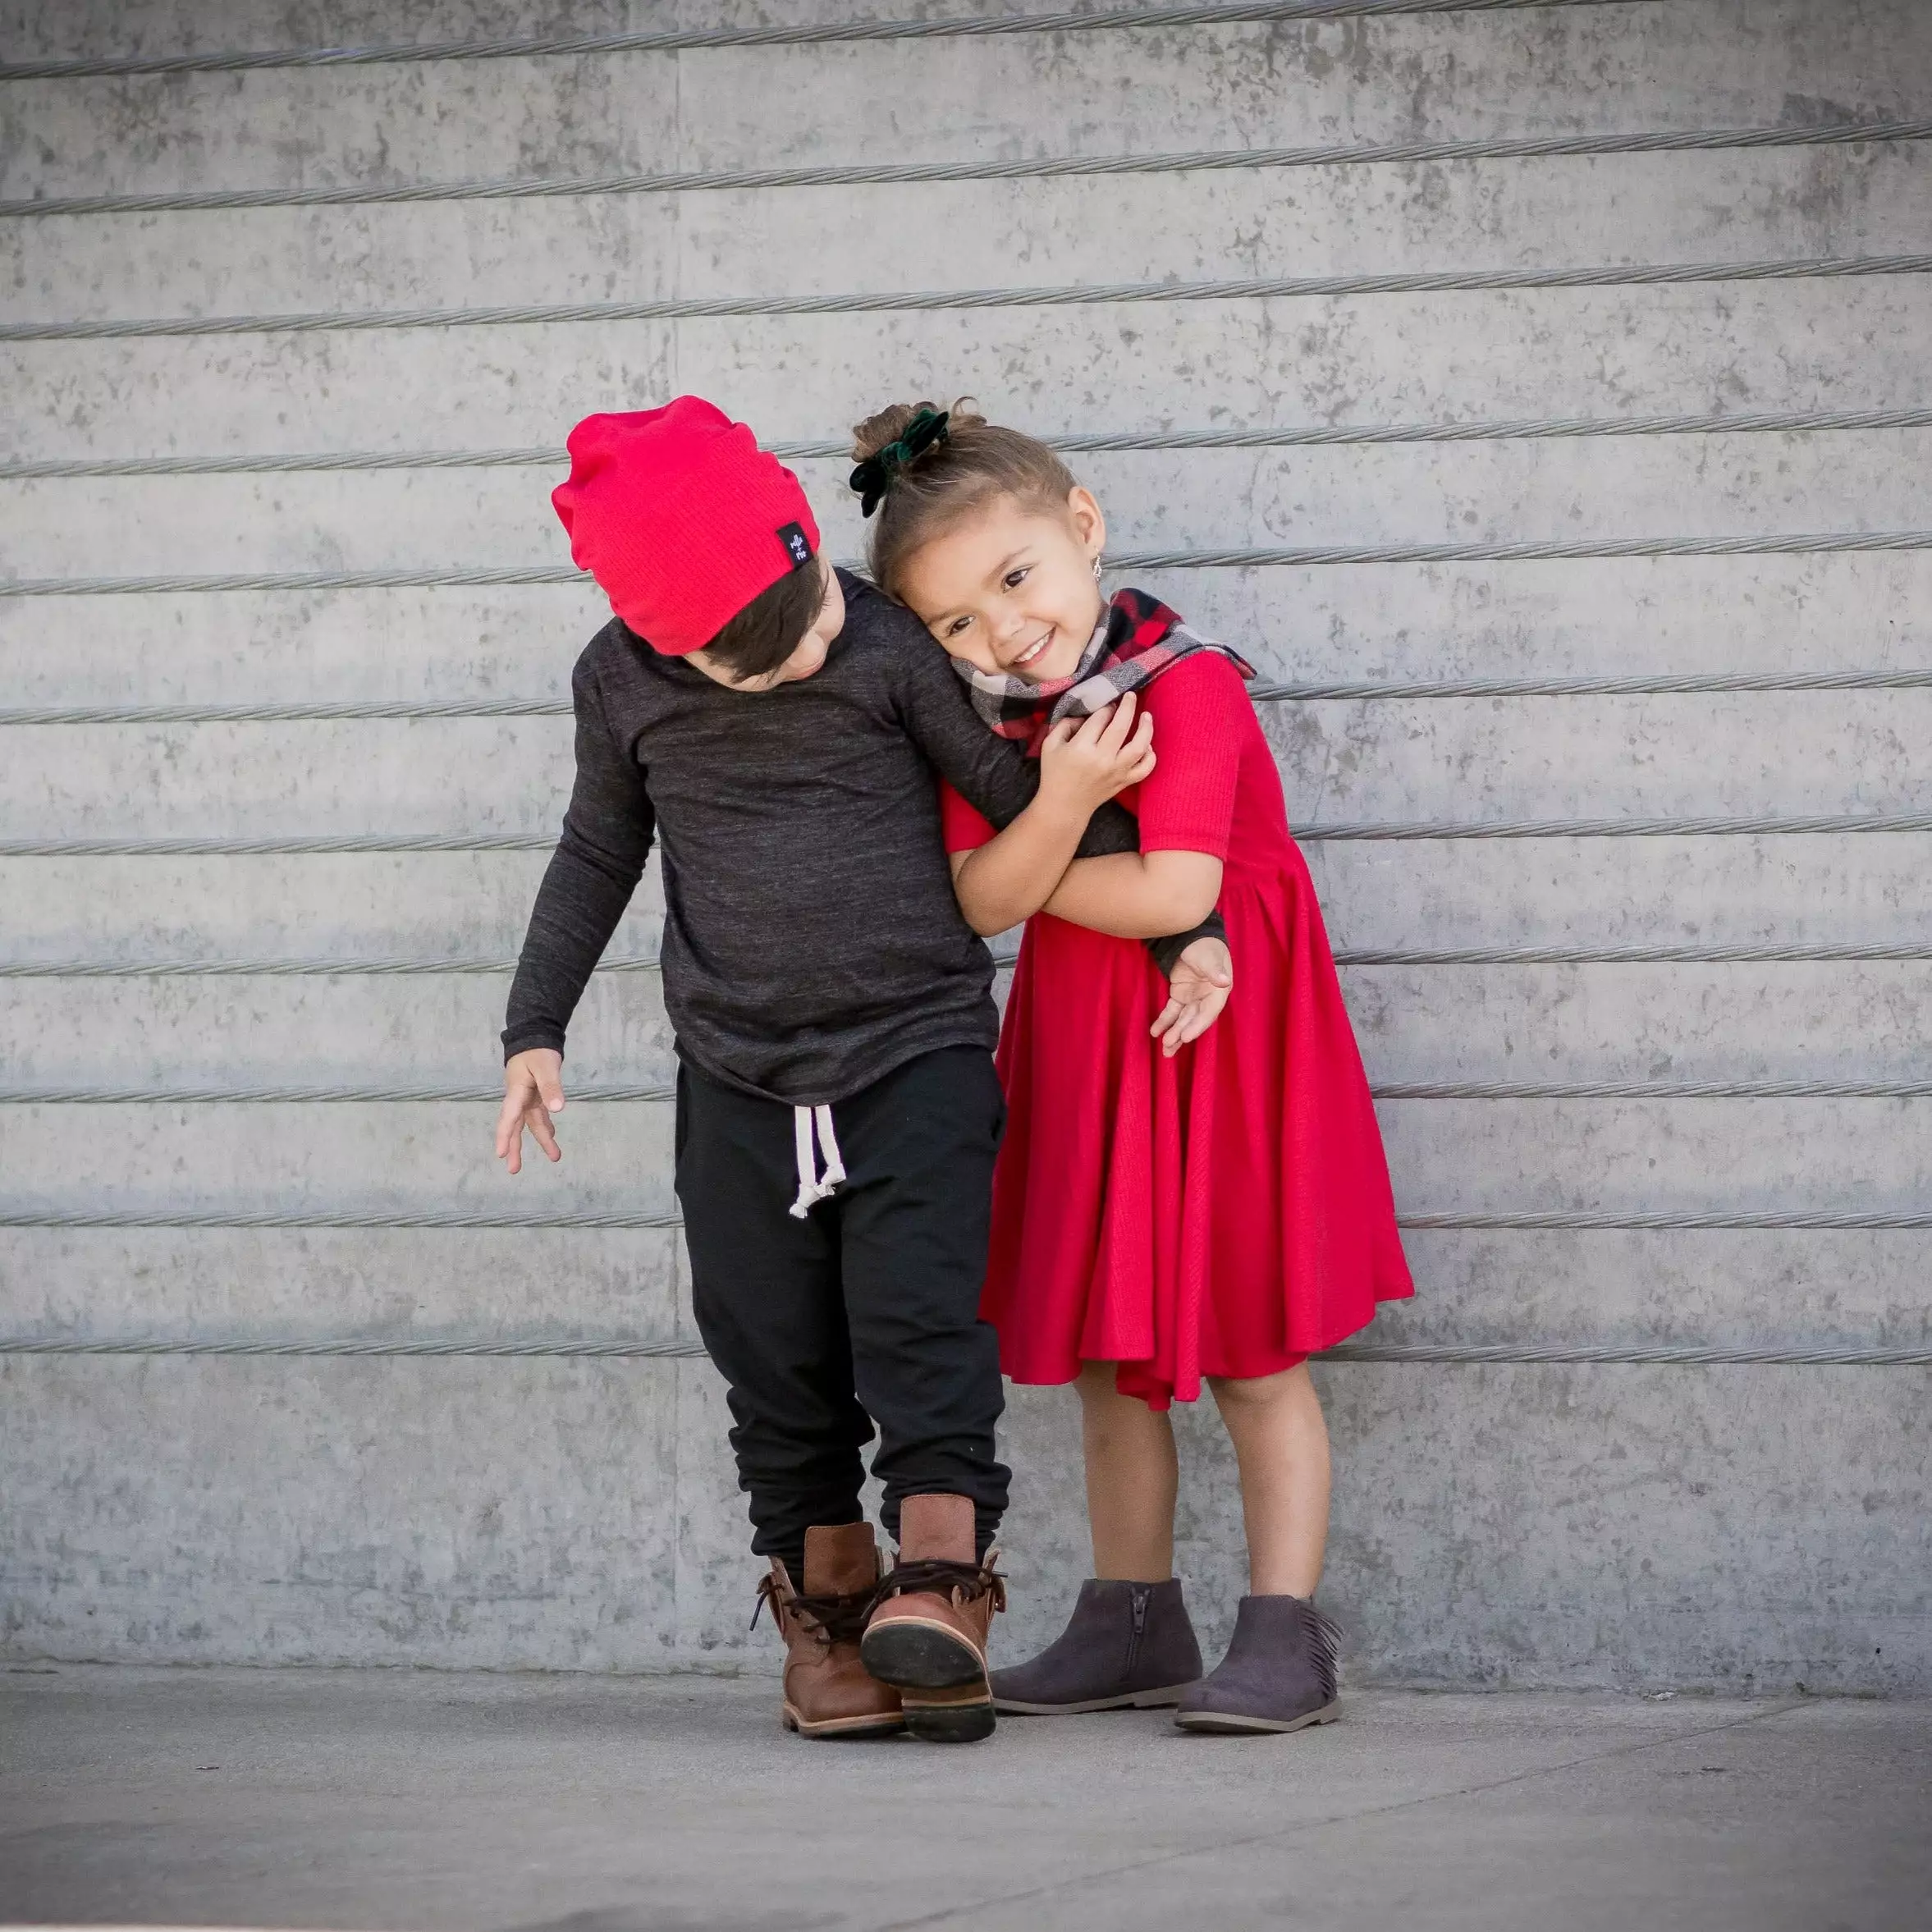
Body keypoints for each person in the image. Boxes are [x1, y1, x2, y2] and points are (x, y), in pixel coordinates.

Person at [492, 396, 1229, 1743]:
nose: (819, 643)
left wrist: (1188, 919)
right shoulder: (618, 682)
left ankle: (941, 1586)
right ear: (667, 640)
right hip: (734, 1069)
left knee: (921, 1322)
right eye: (772, 657)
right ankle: (832, 1603)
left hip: (916, 1048)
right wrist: (533, 1025)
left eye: (817, 610)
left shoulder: (878, 637)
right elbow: (598, 850)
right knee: (767, 1347)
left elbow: (1011, 805)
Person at [849, 400, 1415, 1734]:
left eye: (1014, 577)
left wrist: (1030, 858)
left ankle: (1284, 1633)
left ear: (1082, 528)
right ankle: (1130, 1615)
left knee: (1249, 1343)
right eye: (955, 623)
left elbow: (1171, 885)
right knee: (1110, 1351)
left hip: (1225, 1043)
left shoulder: (1184, 680)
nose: (1002, 632)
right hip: (1091, 1042)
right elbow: (977, 897)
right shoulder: (1001, 732)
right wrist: (1046, 814)